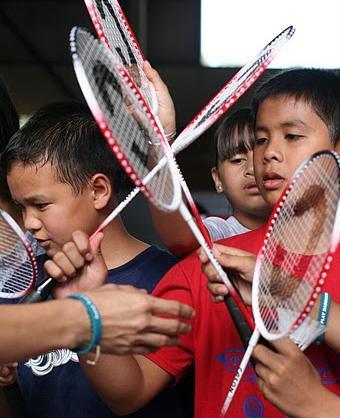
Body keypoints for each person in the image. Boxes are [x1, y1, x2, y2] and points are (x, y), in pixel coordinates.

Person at [69, 68, 340, 418]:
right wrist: (85, 314)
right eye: (260, 139)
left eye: (291, 136)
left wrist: (315, 402)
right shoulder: (215, 266)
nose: (270, 152)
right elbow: (128, 393)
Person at [0, 101, 193, 418]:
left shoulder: (167, 279)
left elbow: (129, 397)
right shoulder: (24, 289)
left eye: (41, 204)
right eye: (22, 208)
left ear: (99, 190)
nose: (29, 222)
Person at [144, 62, 270, 257]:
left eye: (262, 157)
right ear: (217, 179)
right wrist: (160, 139)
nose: (251, 170)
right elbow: (180, 237)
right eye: (237, 160)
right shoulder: (221, 232)